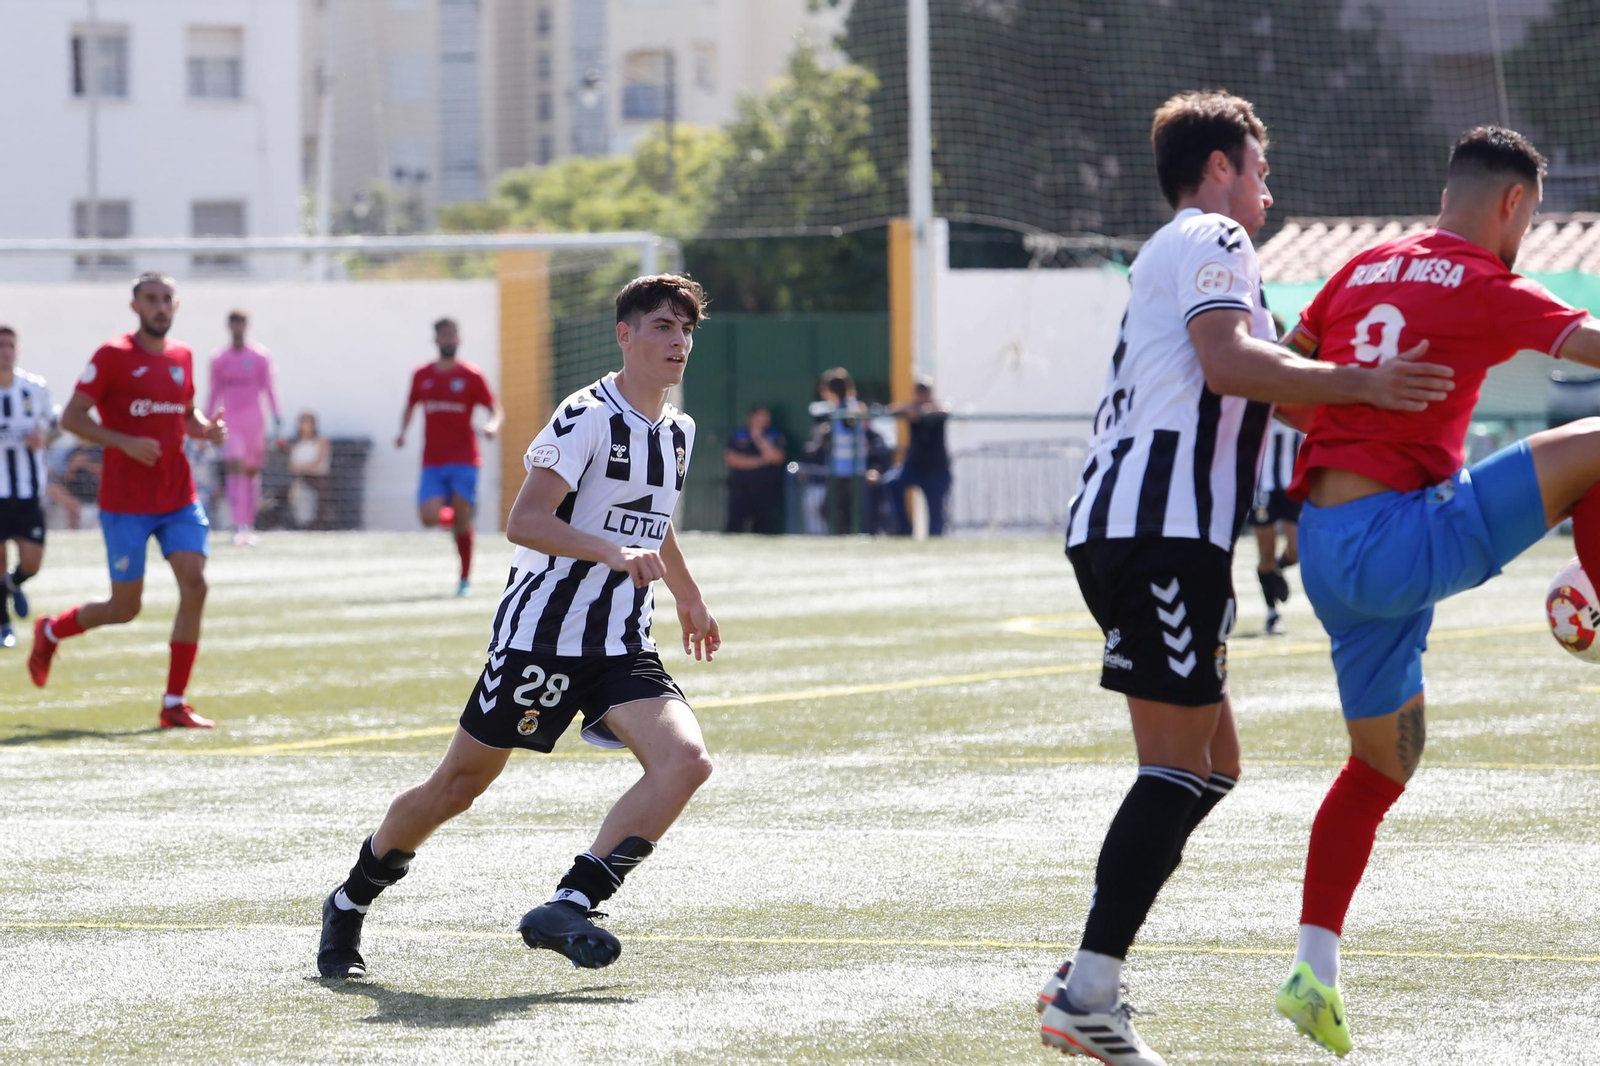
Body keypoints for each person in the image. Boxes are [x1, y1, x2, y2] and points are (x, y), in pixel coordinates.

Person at [1044, 91, 1455, 1064]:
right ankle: (1088, 990)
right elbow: (1231, 365)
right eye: (1259, 168)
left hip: (1149, 527)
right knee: (1177, 764)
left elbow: (1259, 381)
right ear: (1221, 165)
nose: (1267, 192)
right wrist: (1364, 384)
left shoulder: (1187, 249)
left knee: (1213, 763)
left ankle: (1086, 978)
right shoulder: (1215, 232)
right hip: (1161, 529)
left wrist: (1363, 412)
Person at [1271, 126, 1600, 1058]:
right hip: (1399, 535)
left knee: (1382, 765)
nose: (1524, 238)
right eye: (1529, 220)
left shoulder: (1357, 267)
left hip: (1327, 551)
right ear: (1511, 204)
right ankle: (1596, 602)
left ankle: (1313, 971)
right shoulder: (1487, 280)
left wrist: (1365, 394)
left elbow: (1287, 392)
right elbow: (1590, 347)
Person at [317, 274, 720, 981]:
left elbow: (654, 522)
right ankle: (350, 900)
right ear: (625, 335)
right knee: (457, 789)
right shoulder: (585, 415)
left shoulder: (678, 430)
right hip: (543, 638)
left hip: (622, 642)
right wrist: (609, 550)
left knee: (687, 761)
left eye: (686, 330)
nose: (678, 341)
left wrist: (688, 594)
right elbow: (525, 521)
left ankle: (572, 902)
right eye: (662, 326)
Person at [28, 272, 229, 729]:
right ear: (135, 306)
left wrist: (204, 429)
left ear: (176, 306)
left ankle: (174, 703)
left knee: (195, 585)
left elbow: (185, 412)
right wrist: (123, 441)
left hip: (178, 496)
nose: (160, 306)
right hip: (126, 503)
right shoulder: (112, 355)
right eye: (151, 299)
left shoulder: (183, 355)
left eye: (167, 299)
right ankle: (51, 630)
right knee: (125, 608)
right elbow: (73, 417)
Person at [397, 318, 503, 596]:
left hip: (465, 459)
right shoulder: (422, 374)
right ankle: (461, 518)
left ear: (459, 339)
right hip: (432, 461)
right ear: (436, 340)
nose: (449, 340)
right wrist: (402, 433)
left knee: (460, 520)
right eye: (444, 335)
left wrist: (493, 425)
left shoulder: (471, 375)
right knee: (428, 517)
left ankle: (465, 579)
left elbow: (495, 409)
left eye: (453, 335)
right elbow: (410, 406)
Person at [0, 327, 58, 649]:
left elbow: (58, 423)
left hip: (28, 492)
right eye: (0, 345)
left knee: (32, 562)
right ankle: (4, 624)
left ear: (17, 350)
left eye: (10, 345)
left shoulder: (34, 388)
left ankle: (12, 584)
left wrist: (45, 439)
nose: (5, 351)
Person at [207, 310, 281, 546]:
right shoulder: (219, 358)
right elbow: (214, 392)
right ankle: (238, 524)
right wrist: (206, 420)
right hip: (232, 421)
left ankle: (249, 524)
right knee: (234, 469)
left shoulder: (260, 356)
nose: (237, 326)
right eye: (234, 322)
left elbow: (269, 388)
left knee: (251, 472)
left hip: (254, 421)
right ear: (229, 325)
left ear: (246, 325)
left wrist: (277, 415)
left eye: (241, 322)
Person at [1250, 415, 1303, 635]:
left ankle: (1276, 571)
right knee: (1266, 552)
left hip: (1292, 483)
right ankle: (1272, 613)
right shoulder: (1259, 395)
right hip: (1262, 485)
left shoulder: (1301, 395)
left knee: (1298, 548)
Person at [884, 380, 953, 536]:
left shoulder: (937, 409)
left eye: (924, 392)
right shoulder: (911, 408)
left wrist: (923, 411)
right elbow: (891, 409)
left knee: (936, 512)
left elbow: (945, 409)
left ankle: (935, 542)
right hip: (915, 466)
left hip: (936, 468)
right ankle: (905, 531)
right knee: (892, 483)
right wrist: (912, 410)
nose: (922, 395)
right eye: (919, 392)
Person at [723, 405, 786, 534]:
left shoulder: (775, 435)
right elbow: (732, 459)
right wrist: (761, 461)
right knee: (735, 526)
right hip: (740, 487)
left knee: (764, 527)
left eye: (765, 416)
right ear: (751, 417)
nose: (763, 419)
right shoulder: (738, 434)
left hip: (766, 487)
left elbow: (776, 457)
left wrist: (758, 438)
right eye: (759, 416)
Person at [286, 411, 333, 530]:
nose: (305, 425)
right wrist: (300, 470)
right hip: (299, 478)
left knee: (322, 492)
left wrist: (302, 468)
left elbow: (319, 463)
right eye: (303, 421)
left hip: (317, 478)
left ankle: (318, 525)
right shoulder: (295, 442)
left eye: (308, 422)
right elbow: (291, 466)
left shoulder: (321, 440)